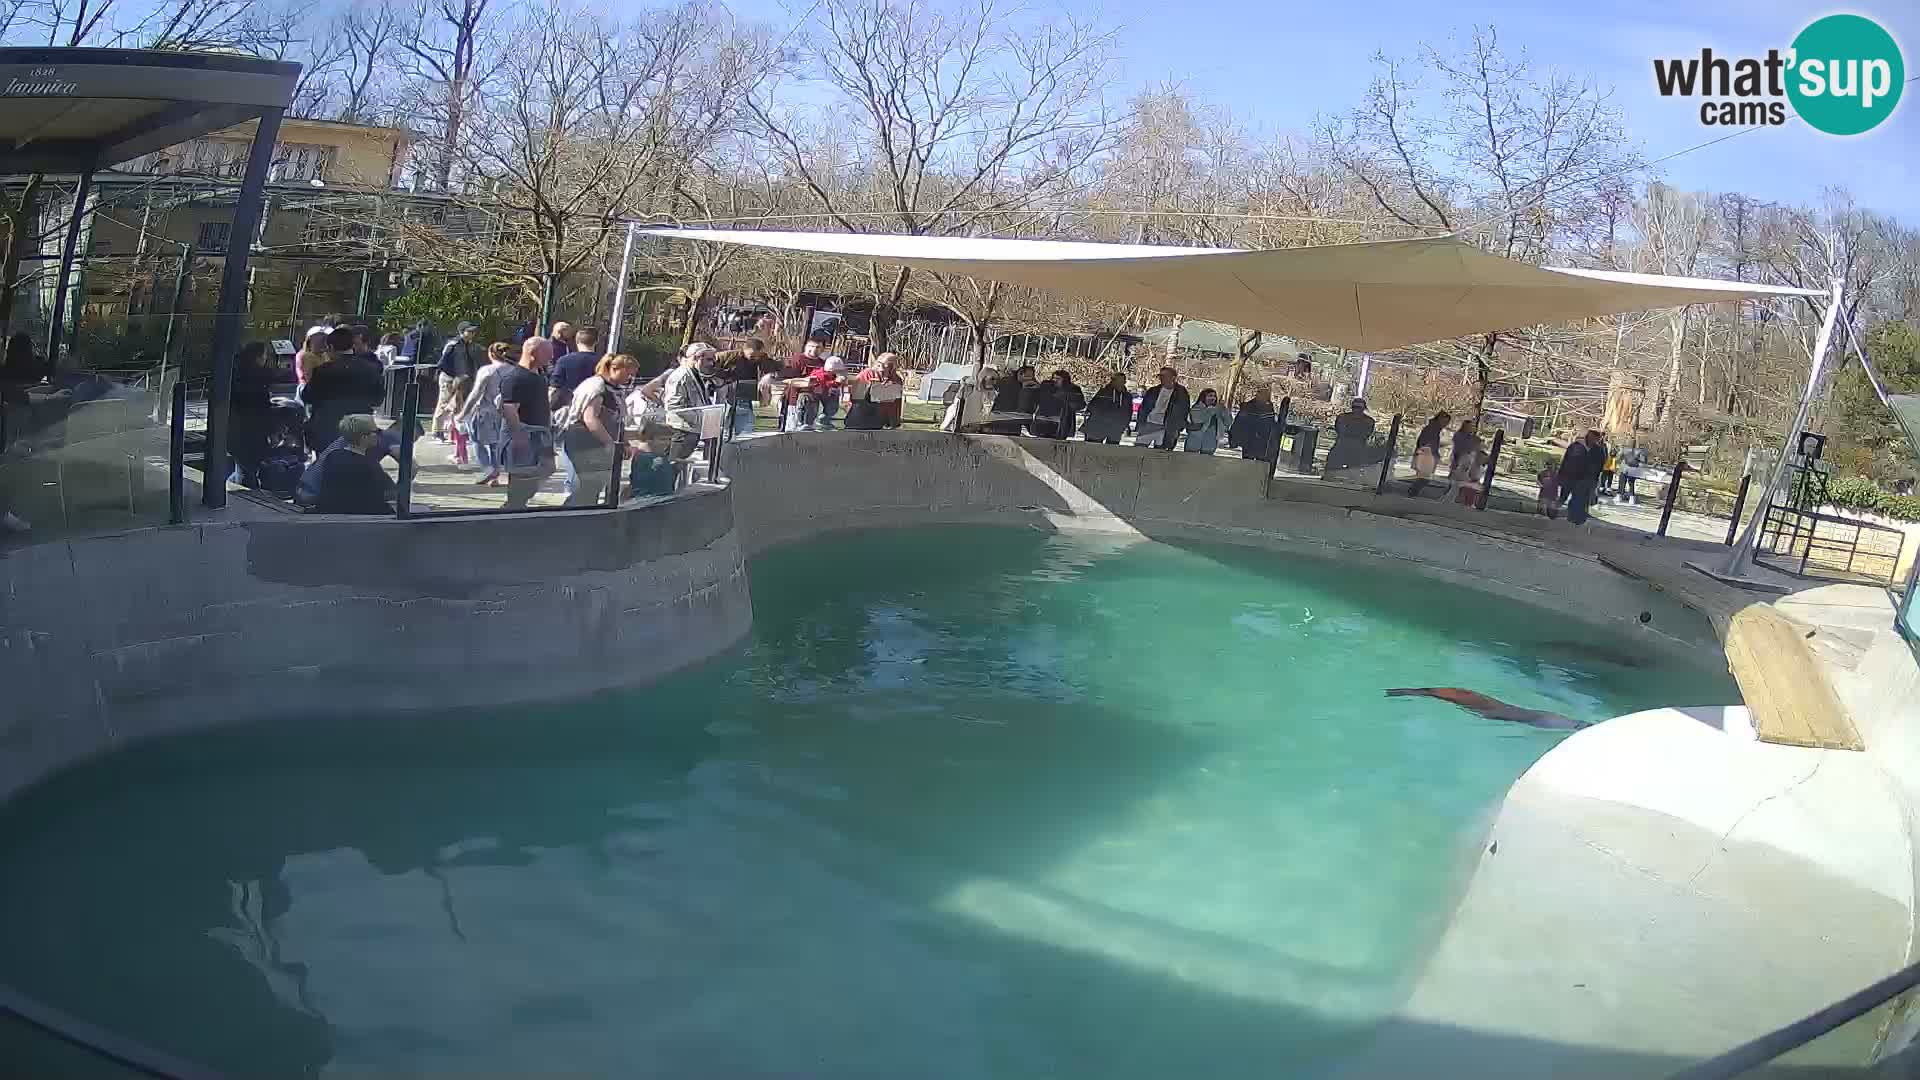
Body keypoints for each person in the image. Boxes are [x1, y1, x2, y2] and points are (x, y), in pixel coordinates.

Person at [558, 353, 637, 507]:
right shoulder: (597, 386)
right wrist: (610, 443)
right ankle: (569, 516)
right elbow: (590, 418)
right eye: (628, 373)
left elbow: (619, 420)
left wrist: (624, 442)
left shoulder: (614, 388)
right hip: (584, 442)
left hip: (600, 443)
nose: (630, 378)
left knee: (595, 485)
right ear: (615, 368)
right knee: (586, 485)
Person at [498, 336, 557, 509]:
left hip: (540, 434)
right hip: (525, 434)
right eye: (548, 354)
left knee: (547, 468)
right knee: (522, 477)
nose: (551, 358)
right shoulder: (516, 378)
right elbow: (509, 409)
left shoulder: (539, 376)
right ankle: (512, 509)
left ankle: (518, 504)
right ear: (533, 353)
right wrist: (519, 436)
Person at [301, 334, 384, 454]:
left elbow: (307, 397)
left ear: (330, 347)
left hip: (327, 428)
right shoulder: (370, 369)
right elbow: (378, 400)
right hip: (360, 428)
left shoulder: (323, 371)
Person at [308, 414, 395, 515]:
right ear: (364, 437)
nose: (379, 435)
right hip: (361, 520)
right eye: (376, 432)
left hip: (330, 514)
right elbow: (389, 494)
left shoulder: (332, 456)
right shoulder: (369, 465)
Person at [458, 342, 515, 486]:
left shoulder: (486, 370)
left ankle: (488, 469)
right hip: (507, 411)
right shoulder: (514, 370)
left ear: (491, 354)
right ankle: (496, 473)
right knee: (497, 444)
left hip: (486, 411)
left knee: (476, 440)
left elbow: (476, 393)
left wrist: (463, 412)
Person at [227, 342, 276, 486]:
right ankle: (247, 493)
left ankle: (231, 486)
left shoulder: (235, 371)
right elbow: (263, 407)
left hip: (235, 425)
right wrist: (271, 430)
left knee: (242, 465)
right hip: (253, 428)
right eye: (265, 355)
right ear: (258, 357)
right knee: (248, 468)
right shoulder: (259, 377)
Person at [663, 342, 717, 462]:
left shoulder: (695, 374)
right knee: (674, 466)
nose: (711, 363)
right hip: (683, 430)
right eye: (708, 359)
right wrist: (699, 419)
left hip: (692, 430)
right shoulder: (681, 376)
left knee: (679, 466)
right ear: (696, 358)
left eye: (712, 359)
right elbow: (673, 406)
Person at [434, 322, 484, 440]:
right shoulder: (453, 344)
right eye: (469, 331)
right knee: (444, 403)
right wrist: (453, 376)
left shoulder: (469, 345)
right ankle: (438, 430)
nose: (472, 334)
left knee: (457, 405)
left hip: (461, 378)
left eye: (473, 331)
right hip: (449, 377)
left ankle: (454, 431)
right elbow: (442, 363)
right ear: (462, 332)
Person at [716, 338, 773, 440]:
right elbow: (709, 367)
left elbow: (779, 368)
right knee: (723, 427)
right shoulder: (729, 356)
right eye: (752, 355)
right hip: (727, 395)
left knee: (745, 431)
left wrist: (769, 376)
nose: (755, 358)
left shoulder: (763, 359)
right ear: (744, 349)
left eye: (757, 356)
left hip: (746, 397)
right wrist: (720, 380)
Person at [845, 352, 906, 431]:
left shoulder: (896, 380)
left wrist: (894, 423)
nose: (884, 368)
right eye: (882, 364)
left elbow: (896, 405)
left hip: (878, 423)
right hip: (859, 420)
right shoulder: (866, 374)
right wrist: (872, 388)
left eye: (891, 365)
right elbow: (853, 397)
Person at [1133, 367, 1190, 450]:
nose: (1161, 378)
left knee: (1160, 454)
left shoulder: (1181, 393)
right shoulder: (1153, 391)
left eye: (1164, 376)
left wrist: (1178, 427)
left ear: (1173, 377)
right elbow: (1143, 408)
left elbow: (1184, 410)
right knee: (1139, 449)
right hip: (1149, 423)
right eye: (1160, 376)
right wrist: (1140, 423)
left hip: (1167, 427)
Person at [549, 326, 605, 405]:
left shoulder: (564, 360)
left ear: (577, 341)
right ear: (596, 342)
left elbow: (555, 386)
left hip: (568, 405)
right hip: (594, 405)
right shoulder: (603, 362)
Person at [1029, 370, 1086, 440]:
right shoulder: (1047, 387)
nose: (1055, 380)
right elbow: (1037, 399)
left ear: (1065, 380)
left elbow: (1080, 405)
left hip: (1062, 422)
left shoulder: (1072, 389)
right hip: (1043, 421)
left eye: (1058, 379)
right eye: (1054, 378)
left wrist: (1066, 398)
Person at [1566, 429, 1607, 525]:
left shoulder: (1599, 450)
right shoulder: (1577, 446)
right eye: (1590, 437)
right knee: (1576, 496)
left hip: (1589, 478)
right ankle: (1572, 516)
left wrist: (1595, 478)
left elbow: (1601, 464)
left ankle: (1580, 517)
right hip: (1577, 476)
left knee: (1584, 498)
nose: (1592, 440)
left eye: (1595, 438)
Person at [1227, 386, 1279, 460]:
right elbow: (1238, 423)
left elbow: (1271, 426)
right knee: (1248, 463)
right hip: (1250, 441)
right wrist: (1234, 439)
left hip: (1263, 443)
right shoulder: (1248, 407)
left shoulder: (1269, 408)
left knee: (1259, 464)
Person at [1324, 398, 1377, 470]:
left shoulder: (1369, 421)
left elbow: (1367, 434)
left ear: (1363, 408)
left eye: (1359, 408)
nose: (1357, 410)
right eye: (1355, 407)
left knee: (1357, 469)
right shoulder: (1342, 417)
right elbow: (1338, 429)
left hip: (1358, 447)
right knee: (1332, 467)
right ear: (1352, 407)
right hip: (1342, 445)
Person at [986, 365, 1039, 435]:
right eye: (1028, 376)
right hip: (1003, 419)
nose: (1030, 379)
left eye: (1032, 376)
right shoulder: (1008, 383)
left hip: (1011, 421)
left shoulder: (1026, 385)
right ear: (1020, 374)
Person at [1083, 372, 1133, 445]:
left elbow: (1128, 412)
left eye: (1123, 381)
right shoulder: (1103, 392)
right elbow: (1092, 407)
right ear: (1113, 381)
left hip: (1116, 429)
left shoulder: (1127, 396)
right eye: (1118, 381)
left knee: (1111, 451)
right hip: (1099, 427)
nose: (1121, 383)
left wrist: (1125, 425)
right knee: (1093, 448)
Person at [1181, 387, 1229, 454]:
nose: (1212, 398)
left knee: (1206, 462)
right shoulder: (1196, 407)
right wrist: (1213, 409)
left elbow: (1228, 422)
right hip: (1194, 439)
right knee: (1189, 460)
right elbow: (1198, 419)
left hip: (1210, 441)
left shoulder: (1219, 409)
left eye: (1214, 396)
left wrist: (1224, 410)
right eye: (1210, 396)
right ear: (1203, 397)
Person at [810, 356, 846, 431]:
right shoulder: (820, 374)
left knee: (833, 406)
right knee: (815, 409)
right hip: (816, 394)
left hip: (827, 395)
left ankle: (825, 420)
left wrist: (838, 384)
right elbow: (820, 387)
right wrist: (835, 382)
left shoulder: (833, 375)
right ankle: (820, 421)